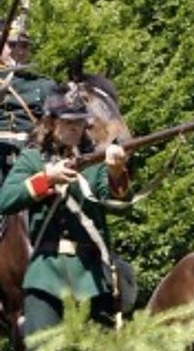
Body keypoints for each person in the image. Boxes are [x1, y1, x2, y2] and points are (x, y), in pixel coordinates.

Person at [0, 86, 130, 338]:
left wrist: (116, 172)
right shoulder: (32, 160)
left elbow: (119, 203)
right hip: (44, 277)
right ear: (50, 123)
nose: (76, 128)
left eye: (80, 123)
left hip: (91, 278)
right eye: (69, 122)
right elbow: (5, 199)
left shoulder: (95, 163)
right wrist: (47, 179)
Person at [0, 19, 57, 181]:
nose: (19, 51)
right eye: (11, 45)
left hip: (30, 157)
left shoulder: (44, 84)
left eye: (24, 46)